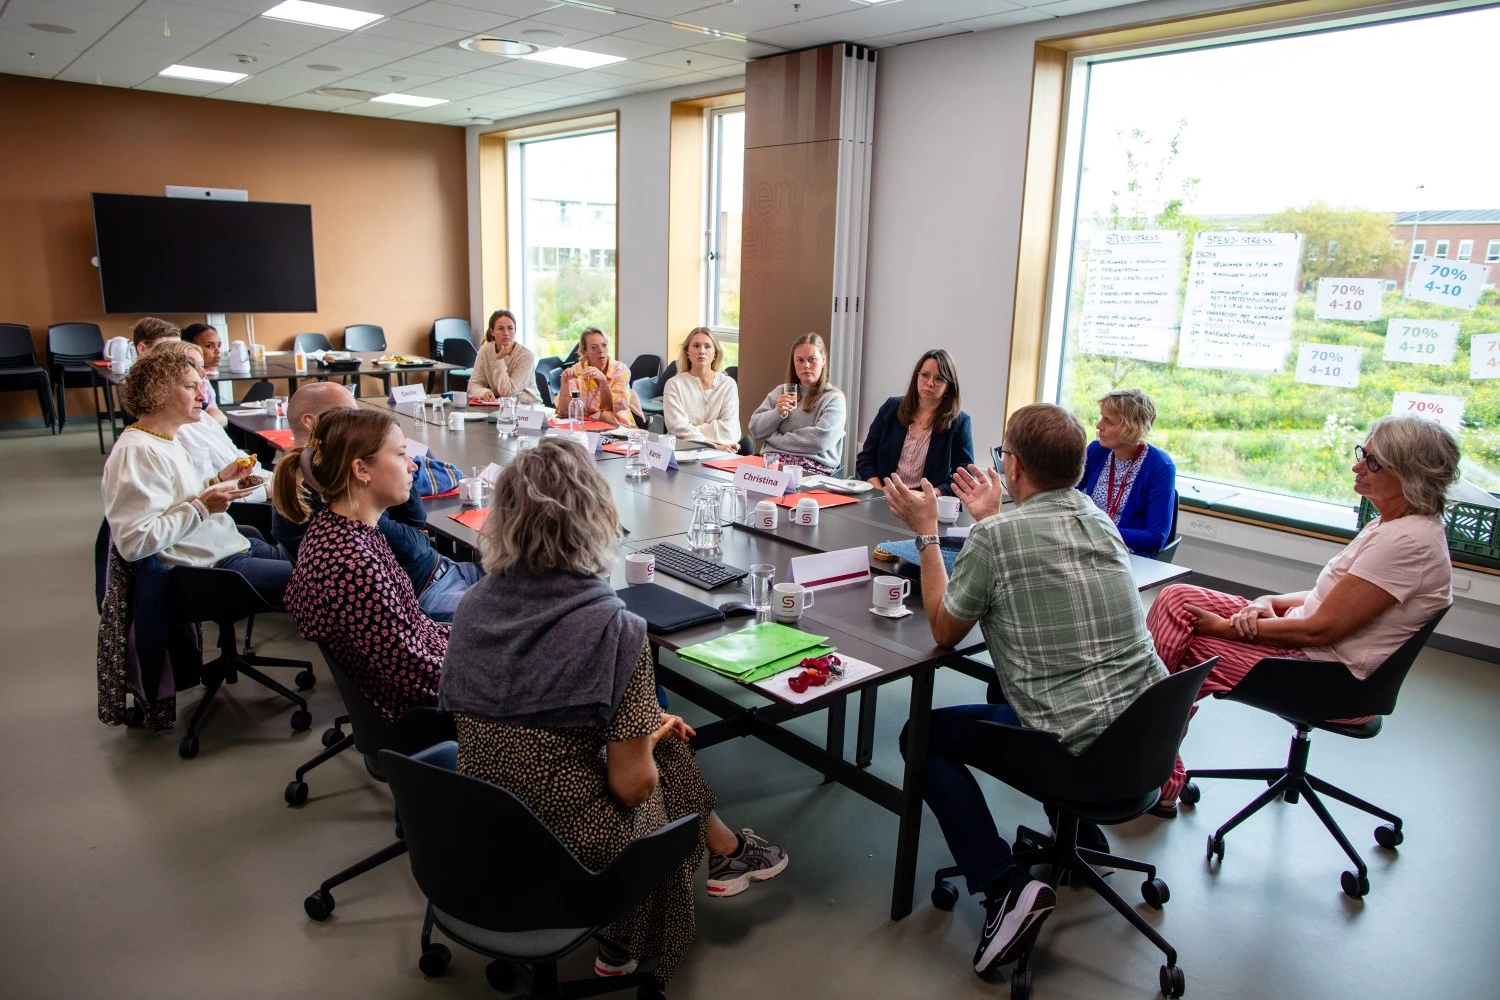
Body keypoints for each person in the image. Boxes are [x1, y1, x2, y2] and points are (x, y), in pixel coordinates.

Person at [440, 438, 787, 986]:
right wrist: (642, 737)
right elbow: (632, 789)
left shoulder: (475, 606)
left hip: (481, 824)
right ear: (597, 515)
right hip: (566, 842)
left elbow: (526, 718)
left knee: (661, 738)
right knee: (665, 768)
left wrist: (643, 730)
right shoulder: (614, 629)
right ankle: (629, 938)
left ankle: (715, 862)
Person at [882, 403, 1166, 976]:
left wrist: (928, 535)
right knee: (1004, 690)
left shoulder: (996, 539)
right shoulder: (1097, 519)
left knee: (920, 735)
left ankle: (1002, 887)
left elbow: (943, 628)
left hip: (1080, 756)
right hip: (1143, 741)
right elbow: (1033, 547)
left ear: (1013, 466)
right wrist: (992, 519)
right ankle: (1081, 837)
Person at [1144, 414, 1458, 816]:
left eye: (1373, 462)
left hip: (1326, 678)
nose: (1357, 467)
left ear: (1410, 475)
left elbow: (1318, 631)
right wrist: (1271, 602)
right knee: (1177, 597)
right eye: (1362, 454)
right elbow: (1330, 598)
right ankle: (1145, 758)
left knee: (1186, 654)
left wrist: (1226, 628)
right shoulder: (1394, 524)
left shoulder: (1406, 543)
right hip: (1311, 652)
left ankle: (1150, 776)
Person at [276, 408, 448, 721]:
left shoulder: (344, 529)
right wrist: (487, 667)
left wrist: (467, 640)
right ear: (361, 470)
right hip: (424, 711)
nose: (412, 466)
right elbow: (415, 673)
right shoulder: (353, 564)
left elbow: (412, 631)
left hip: (424, 675)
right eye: (400, 454)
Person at [271, 381, 483, 623]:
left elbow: (416, 524)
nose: (357, 422)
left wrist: (397, 453)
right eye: (346, 415)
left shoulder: (341, 502)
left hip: (442, 574)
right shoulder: (341, 513)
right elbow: (415, 545)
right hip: (430, 593)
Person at [101, 349, 293, 606]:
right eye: (192, 387)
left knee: (312, 564)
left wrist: (217, 481)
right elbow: (135, 543)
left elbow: (176, 500)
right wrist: (203, 508)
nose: (202, 396)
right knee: (325, 582)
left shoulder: (166, 439)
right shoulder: (137, 452)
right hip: (208, 568)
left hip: (222, 545)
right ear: (158, 392)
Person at [155, 342, 273, 502]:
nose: (203, 373)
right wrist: (268, 491)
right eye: (194, 367)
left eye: (202, 366)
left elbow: (235, 460)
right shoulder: (176, 432)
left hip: (258, 485)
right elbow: (203, 495)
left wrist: (276, 480)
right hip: (246, 502)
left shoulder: (202, 416)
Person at [856, 349, 973, 495]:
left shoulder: (959, 422)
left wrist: (928, 494)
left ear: (949, 385)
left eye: (939, 379)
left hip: (927, 502)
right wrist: (880, 493)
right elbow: (866, 459)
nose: (930, 383)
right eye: (925, 375)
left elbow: (965, 478)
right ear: (916, 376)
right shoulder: (891, 408)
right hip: (882, 496)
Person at [1077, 389, 1176, 557]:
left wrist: (1101, 531)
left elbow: (1156, 537)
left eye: (1108, 422)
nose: (1099, 426)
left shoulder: (1160, 466)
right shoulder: (1097, 450)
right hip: (1089, 545)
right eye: (1101, 418)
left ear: (1132, 428)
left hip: (1128, 554)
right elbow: (1068, 492)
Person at [746, 332, 846, 475]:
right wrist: (777, 413)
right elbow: (755, 429)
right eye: (800, 360)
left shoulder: (834, 398)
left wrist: (773, 438)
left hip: (812, 468)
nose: (806, 365)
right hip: (772, 464)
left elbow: (819, 441)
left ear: (823, 360)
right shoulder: (781, 391)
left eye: (812, 359)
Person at [662, 327, 740, 451]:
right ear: (687, 352)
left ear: (715, 353)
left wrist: (693, 428)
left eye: (707, 346)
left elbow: (728, 430)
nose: (702, 351)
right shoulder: (674, 384)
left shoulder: (728, 384)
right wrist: (714, 446)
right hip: (684, 451)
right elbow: (677, 427)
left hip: (723, 453)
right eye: (696, 346)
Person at [555, 327, 633, 427]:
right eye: (594, 347)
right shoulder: (577, 371)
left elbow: (609, 408)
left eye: (604, 345)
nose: (601, 350)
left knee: (606, 415)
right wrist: (564, 384)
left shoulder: (620, 369)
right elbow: (565, 413)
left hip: (619, 425)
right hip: (587, 426)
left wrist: (603, 381)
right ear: (584, 352)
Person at [467, 309, 540, 405]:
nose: (506, 333)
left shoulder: (526, 355)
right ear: (492, 331)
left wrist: (499, 359)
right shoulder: (485, 350)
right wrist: (483, 392)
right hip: (501, 406)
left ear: (515, 331)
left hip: (528, 406)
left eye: (510, 328)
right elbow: (473, 385)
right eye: (501, 328)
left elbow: (508, 393)